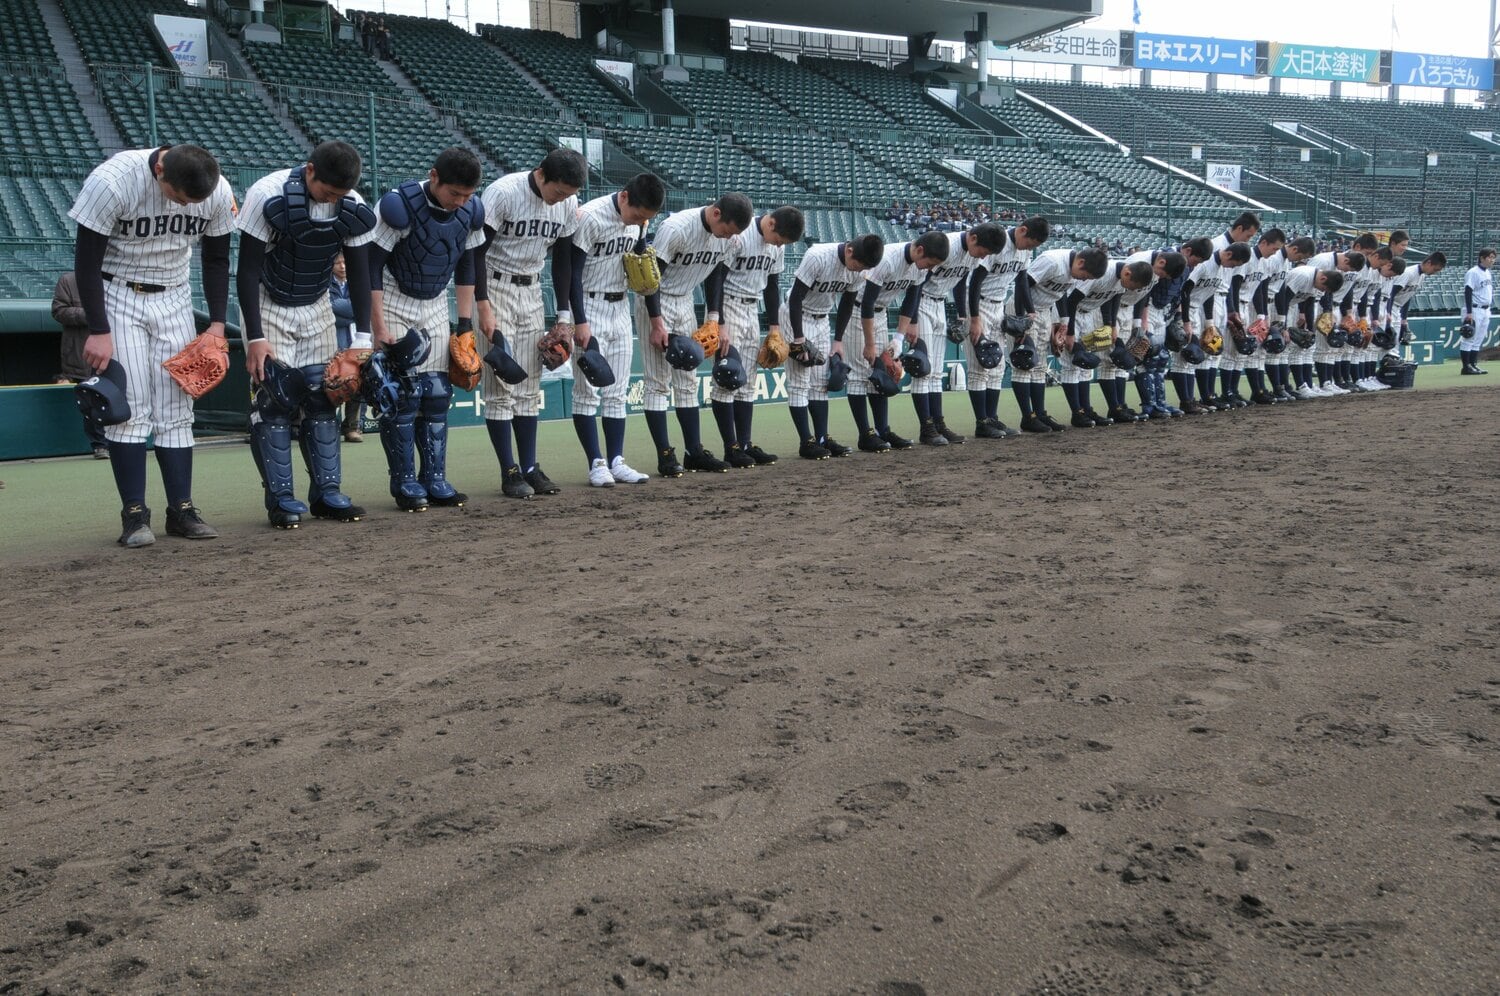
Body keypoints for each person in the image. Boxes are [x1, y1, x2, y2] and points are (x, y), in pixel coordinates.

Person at [68, 143, 236, 547]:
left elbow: (216, 260)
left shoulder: (217, 191)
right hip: (117, 292)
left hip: (175, 295)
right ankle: (134, 515)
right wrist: (98, 328)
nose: (181, 206)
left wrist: (215, 323)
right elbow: (85, 262)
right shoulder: (113, 182)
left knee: (177, 405)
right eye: (177, 197)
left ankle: (181, 509)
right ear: (159, 169)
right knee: (130, 406)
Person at [236, 141, 377, 528]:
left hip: (317, 304)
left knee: (322, 398)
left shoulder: (352, 204)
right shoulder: (267, 194)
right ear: (310, 170)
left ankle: (327, 494)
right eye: (328, 192)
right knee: (274, 403)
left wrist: (363, 337)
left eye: (341, 194)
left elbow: (362, 274)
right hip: (270, 301)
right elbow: (246, 271)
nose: (334, 200)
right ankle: (281, 499)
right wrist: (254, 336)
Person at [367, 147, 487, 511]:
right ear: (434, 177)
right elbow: (371, 268)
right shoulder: (398, 206)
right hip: (393, 298)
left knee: (436, 395)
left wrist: (465, 324)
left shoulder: (470, 211)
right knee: (404, 397)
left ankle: (434, 478)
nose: (461, 201)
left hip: (435, 301)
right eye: (455, 193)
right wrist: (377, 326)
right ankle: (404, 482)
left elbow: (469, 267)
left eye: (467, 195)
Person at [475, 148, 588, 498]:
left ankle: (529, 466)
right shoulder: (504, 193)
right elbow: (475, 253)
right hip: (494, 286)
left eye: (570, 194)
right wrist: (483, 307)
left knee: (528, 388)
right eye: (559, 191)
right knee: (501, 386)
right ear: (541, 174)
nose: (564, 200)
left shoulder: (567, 205)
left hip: (531, 290)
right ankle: (509, 471)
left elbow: (564, 262)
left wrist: (565, 315)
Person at [635, 192, 752, 476]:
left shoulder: (729, 239)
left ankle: (694, 452)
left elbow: (716, 275)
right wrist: (657, 323)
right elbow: (651, 279)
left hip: (685, 300)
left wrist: (714, 317)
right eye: (727, 230)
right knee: (657, 381)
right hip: (656, 300)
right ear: (716, 214)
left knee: (687, 380)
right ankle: (665, 455)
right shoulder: (676, 228)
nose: (727, 238)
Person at [570, 172, 667, 486]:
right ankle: (595, 463)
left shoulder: (639, 222)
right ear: (624, 197)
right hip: (589, 303)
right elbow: (571, 273)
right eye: (637, 214)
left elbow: (641, 262)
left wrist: (655, 317)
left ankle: (616, 460)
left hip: (620, 306)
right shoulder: (591, 217)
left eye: (645, 218)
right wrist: (580, 321)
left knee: (616, 392)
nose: (638, 221)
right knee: (588, 392)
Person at [708, 205, 804, 466]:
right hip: (729, 303)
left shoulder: (778, 247)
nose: (779, 244)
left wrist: (773, 326)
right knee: (728, 378)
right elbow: (717, 277)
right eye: (779, 238)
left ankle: (745, 444)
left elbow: (772, 286)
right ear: (770, 223)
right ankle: (731, 447)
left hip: (752, 310)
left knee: (748, 383)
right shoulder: (741, 234)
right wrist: (720, 323)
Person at [782, 233, 882, 459]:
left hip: (822, 319)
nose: (859, 270)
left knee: (820, 384)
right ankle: (806, 442)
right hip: (796, 316)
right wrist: (798, 339)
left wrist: (838, 340)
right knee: (800, 381)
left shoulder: (857, 268)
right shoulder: (818, 256)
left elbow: (847, 302)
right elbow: (795, 299)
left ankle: (821, 438)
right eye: (859, 264)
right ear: (849, 250)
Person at [847, 231, 949, 451]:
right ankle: (866, 435)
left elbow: (911, 300)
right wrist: (870, 343)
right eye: (929, 262)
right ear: (920, 250)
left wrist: (899, 338)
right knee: (859, 375)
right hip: (858, 313)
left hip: (881, 313)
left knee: (881, 373)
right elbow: (866, 302)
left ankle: (883, 431)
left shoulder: (918, 267)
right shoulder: (888, 259)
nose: (929, 268)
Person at [911, 222, 1005, 445]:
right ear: (972, 238)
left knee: (934, 373)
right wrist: (912, 320)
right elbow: (916, 281)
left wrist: (964, 315)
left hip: (939, 303)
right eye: (984, 251)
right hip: (921, 301)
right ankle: (926, 427)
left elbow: (961, 280)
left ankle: (938, 424)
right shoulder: (946, 246)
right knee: (923, 371)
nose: (984, 256)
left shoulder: (971, 255)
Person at [1013, 245, 1108, 432]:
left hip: (1045, 312)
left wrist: (1063, 323)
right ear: (1080, 262)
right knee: (1025, 365)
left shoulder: (1073, 270)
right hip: (1025, 310)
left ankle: (1039, 414)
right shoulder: (1053, 260)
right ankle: (1028, 416)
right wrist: (1022, 318)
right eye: (1085, 275)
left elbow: (1060, 294)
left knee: (1039, 368)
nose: (1083, 279)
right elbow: (1021, 283)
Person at [970, 215, 1048, 436]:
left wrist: (1025, 316)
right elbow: (974, 282)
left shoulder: (1024, 251)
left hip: (999, 307)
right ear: (1022, 231)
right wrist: (974, 319)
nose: (1030, 248)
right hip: (980, 304)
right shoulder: (998, 243)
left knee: (997, 366)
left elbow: (1022, 281)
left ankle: (992, 418)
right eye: (1031, 243)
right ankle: (981, 422)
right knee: (980, 368)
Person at [51, 270, 109, 458]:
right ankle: (100, 445)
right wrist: (93, 314)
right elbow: (58, 311)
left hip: (114, 351)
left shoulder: (115, 277)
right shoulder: (68, 280)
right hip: (81, 353)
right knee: (91, 402)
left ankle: (121, 443)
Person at [327, 252, 364, 441]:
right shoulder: (326, 283)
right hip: (334, 342)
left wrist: (351, 311)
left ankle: (352, 427)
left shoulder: (358, 280)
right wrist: (355, 312)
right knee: (331, 384)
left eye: (344, 262)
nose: (342, 266)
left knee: (357, 384)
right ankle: (329, 428)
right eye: (337, 263)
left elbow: (365, 304)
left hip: (356, 342)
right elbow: (329, 308)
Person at [1461, 247, 1494, 375]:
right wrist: (1469, 312)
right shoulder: (1473, 272)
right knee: (1469, 338)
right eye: (1489, 257)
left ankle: (1473, 364)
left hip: (1485, 309)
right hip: (1474, 309)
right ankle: (1466, 367)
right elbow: (1468, 291)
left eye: (1493, 257)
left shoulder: (1487, 272)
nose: (1492, 260)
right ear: (1482, 258)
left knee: (1479, 339)